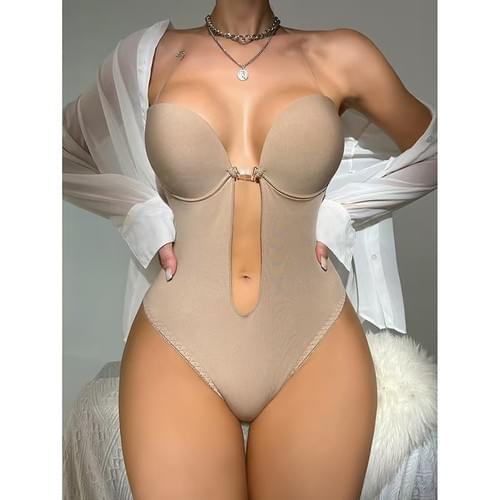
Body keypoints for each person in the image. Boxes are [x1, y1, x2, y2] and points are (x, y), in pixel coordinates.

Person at [63, 2, 437, 498]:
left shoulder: (339, 55)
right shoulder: (150, 58)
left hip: (315, 344)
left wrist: (346, 212)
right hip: (178, 347)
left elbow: (438, 148)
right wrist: (139, 214)